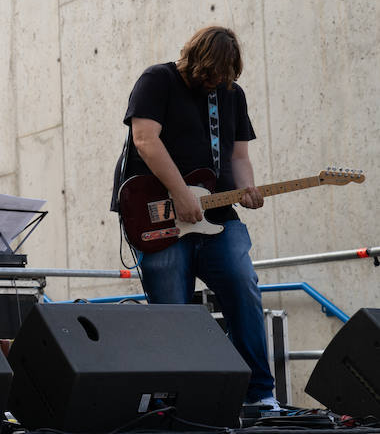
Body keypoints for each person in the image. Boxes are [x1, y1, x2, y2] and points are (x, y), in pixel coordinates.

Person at [114, 26, 277, 409]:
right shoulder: (158, 79)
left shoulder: (231, 96)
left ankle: (259, 394)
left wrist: (249, 189)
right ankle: (178, 402)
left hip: (218, 213)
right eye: (212, 74)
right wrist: (180, 193)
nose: (217, 82)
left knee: (243, 286)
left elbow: (239, 157)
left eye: (225, 76)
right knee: (173, 310)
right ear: (195, 60)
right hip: (158, 214)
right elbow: (144, 139)